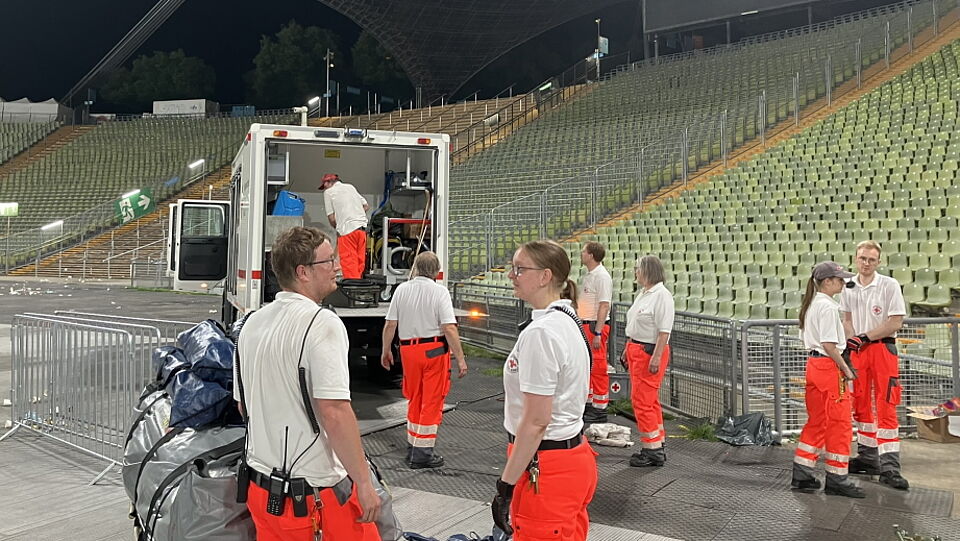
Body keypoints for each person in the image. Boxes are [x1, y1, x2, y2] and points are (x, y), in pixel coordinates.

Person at [234, 226, 380, 540]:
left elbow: (243, 406)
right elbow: (334, 412)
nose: (337, 266)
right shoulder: (322, 323)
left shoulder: (251, 324)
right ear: (303, 272)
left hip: (261, 494)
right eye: (328, 261)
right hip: (312, 500)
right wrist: (364, 483)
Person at [491, 240, 598, 541]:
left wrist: (505, 485)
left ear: (544, 276)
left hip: (545, 466)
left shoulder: (542, 332)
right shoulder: (567, 320)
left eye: (519, 269)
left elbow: (537, 421)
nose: (511, 275)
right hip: (569, 458)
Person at [381, 251, 468, 469]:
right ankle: (422, 454)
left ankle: (413, 446)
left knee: (415, 398)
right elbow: (449, 328)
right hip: (433, 351)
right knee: (431, 400)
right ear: (437, 271)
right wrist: (460, 358)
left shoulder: (402, 290)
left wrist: (386, 350)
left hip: (408, 351)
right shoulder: (440, 292)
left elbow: (390, 324)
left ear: (416, 268)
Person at [840, 240, 910, 490]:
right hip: (858, 351)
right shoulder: (848, 286)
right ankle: (868, 457)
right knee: (859, 403)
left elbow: (895, 322)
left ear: (878, 262)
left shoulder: (889, 285)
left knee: (886, 404)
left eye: (871, 259)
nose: (866, 263)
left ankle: (890, 466)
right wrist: (852, 341)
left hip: (882, 349)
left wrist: (865, 336)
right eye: (862, 258)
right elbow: (847, 319)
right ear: (856, 259)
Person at [792, 261, 864, 498]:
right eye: (839, 279)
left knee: (817, 420)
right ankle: (837, 478)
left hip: (814, 366)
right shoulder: (828, 307)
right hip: (829, 367)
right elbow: (829, 345)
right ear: (827, 282)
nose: (843, 283)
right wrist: (846, 369)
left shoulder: (812, 304)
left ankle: (802, 473)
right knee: (839, 423)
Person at [624, 255, 674, 468]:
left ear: (648, 271)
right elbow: (635, 325)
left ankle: (652, 451)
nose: (635, 272)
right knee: (649, 400)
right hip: (638, 350)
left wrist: (656, 357)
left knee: (642, 402)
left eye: (638, 268)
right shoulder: (644, 294)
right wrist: (628, 348)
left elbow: (664, 331)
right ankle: (657, 443)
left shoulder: (661, 296)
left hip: (649, 352)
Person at [578, 241, 613, 424]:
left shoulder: (601, 277)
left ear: (591, 255)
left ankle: (600, 409)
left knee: (598, 367)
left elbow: (604, 305)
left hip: (594, 326)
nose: (581, 254)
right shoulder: (591, 275)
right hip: (588, 325)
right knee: (589, 367)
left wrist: (598, 332)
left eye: (584, 251)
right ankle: (590, 404)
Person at [320, 173, 369, 279]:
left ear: (328, 183)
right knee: (359, 264)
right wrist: (354, 215)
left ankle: (353, 287)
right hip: (361, 230)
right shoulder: (350, 187)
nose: (324, 188)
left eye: (324, 185)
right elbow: (366, 206)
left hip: (347, 231)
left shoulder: (328, 192)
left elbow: (331, 218)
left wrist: (340, 224)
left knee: (350, 265)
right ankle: (359, 285)